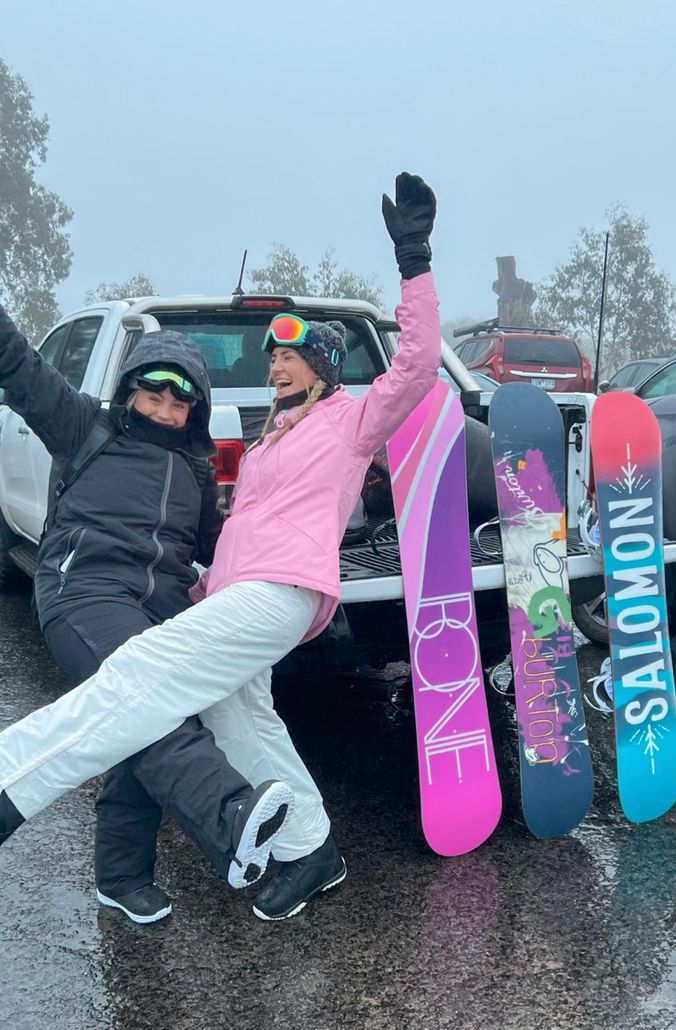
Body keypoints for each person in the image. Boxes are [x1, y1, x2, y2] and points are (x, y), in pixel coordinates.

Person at [0, 170, 441, 921]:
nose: (274, 365)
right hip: (236, 596)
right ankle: (314, 850)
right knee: (241, 720)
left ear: (324, 370)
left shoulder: (349, 421)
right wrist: (197, 591)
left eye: (289, 357)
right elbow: (226, 538)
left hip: (280, 592)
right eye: (270, 357)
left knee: (139, 670)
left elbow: (418, 366)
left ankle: (11, 782)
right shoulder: (265, 445)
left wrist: (415, 262)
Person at [0, 312, 295, 923]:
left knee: (141, 721)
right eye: (152, 393)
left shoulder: (194, 471)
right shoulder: (84, 425)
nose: (163, 410)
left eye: (178, 402)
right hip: (83, 592)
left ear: (195, 410)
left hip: (159, 611)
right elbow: (19, 365)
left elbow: (229, 546)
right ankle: (229, 812)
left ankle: (122, 877)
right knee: (148, 702)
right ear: (130, 388)